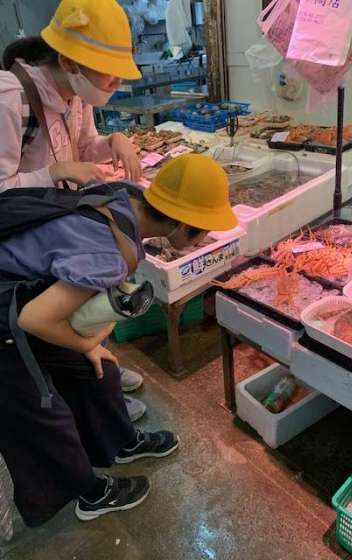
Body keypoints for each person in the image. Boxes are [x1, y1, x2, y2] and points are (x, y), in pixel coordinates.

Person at [0, 153, 238, 526]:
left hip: (28, 291)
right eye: (204, 229)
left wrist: (88, 347)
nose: (206, 238)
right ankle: (89, 493)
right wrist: (85, 343)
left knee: (97, 371)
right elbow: (33, 319)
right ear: (181, 223)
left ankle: (119, 442)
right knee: (41, 411)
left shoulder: (124, 196)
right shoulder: (109, 253)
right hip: (11, 308)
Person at [0, 0, 146, 417]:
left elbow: (83, 146)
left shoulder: (77, 94)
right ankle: (91, 390)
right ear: (68, 61)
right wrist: (54, 172)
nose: (116, 82)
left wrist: (112, 142)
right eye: (108, 72)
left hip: (61, 221)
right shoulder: (10, 97)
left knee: (83, 308)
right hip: (26, 238)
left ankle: (99, 370)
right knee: (49, 320)